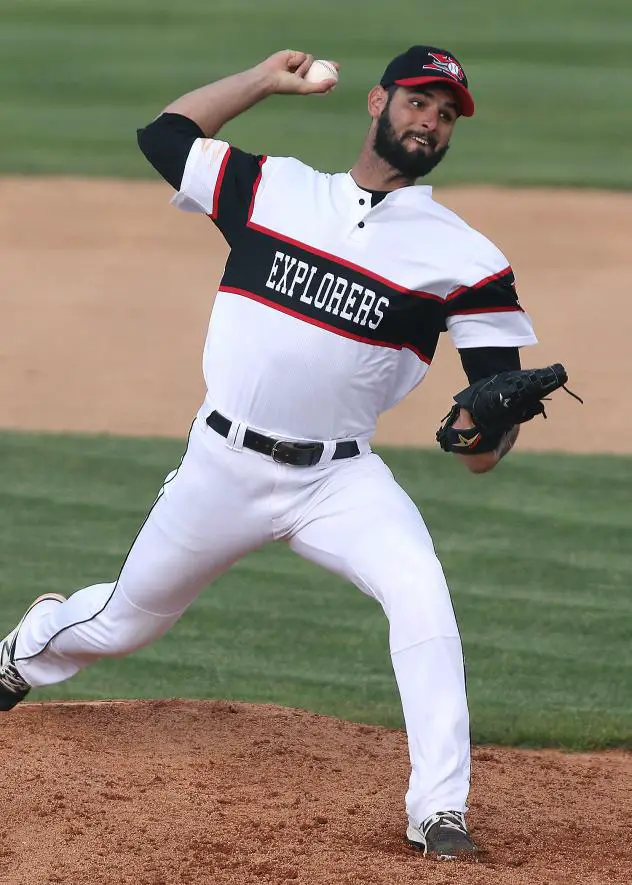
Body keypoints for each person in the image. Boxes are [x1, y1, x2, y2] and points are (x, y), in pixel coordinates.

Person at [0, 46, 537, 859]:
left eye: (447, 112)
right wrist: (261, 80)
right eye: (419, 102)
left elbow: (482, 445)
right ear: (377, 102)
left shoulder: (467, 259)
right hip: (222, 465)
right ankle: (25, 648)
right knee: (122, 624)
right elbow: (165, 135)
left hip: (340, 478)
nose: (430, 120)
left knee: (422, 594)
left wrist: (483, 430)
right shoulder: (274, 188)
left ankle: (439, 811)